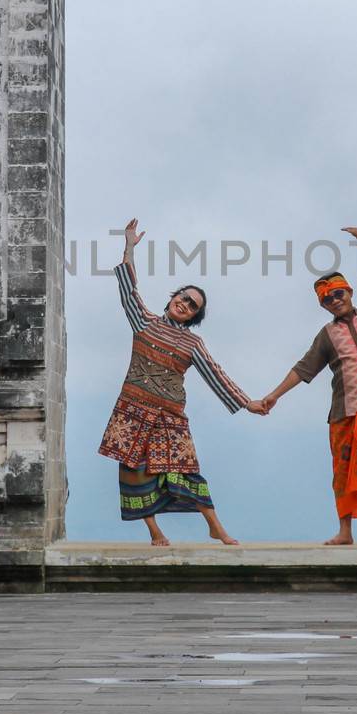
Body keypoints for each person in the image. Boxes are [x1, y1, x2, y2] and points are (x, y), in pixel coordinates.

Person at [98, 219, 269, 546]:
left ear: (194, 316)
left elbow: (216, 374)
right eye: (183, 297)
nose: (185, 304)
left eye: (192, 306)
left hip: (170, 414)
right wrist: (130, 247)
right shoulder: (144, 322)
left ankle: (215, 527)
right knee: (133, 472)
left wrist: (249, 402)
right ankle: (156, 534)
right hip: (133, 410)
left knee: (186, 469)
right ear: (173, 297)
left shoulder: (193, 344)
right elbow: (128, 289)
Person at [259, 227, 357, 546]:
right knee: (343, 472)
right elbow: (303, 369)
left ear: (349, 292)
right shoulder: (326, 336)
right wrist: (272, 396)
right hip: (346, 413)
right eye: (327, 299)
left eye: (337, 294)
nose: (333, 300)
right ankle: (345, 532)